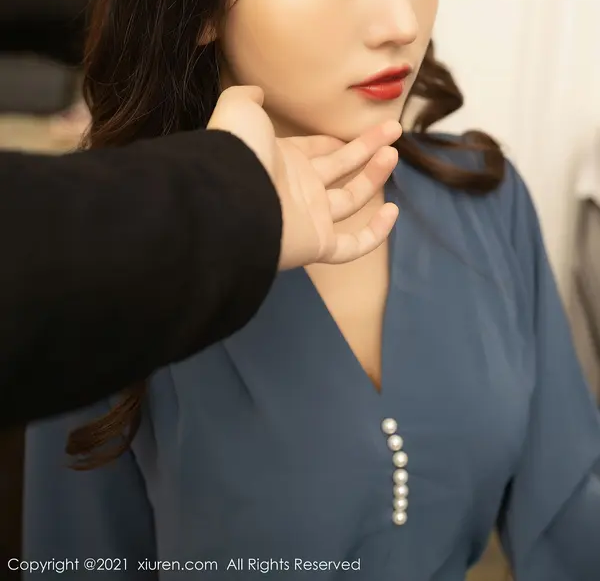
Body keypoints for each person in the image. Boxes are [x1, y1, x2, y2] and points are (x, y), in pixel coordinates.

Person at [23, 0, 600, 580]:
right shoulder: (113, 264)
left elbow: (569, 520)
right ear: (196, 0)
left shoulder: (487, 199)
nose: (402, 20)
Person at [0, 84, 401, 430]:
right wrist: (229, 197)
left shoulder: (450, 194)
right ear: (205, 22)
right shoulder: (101, 331)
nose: (402, 29)